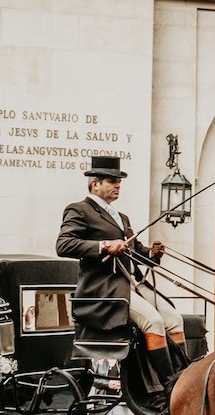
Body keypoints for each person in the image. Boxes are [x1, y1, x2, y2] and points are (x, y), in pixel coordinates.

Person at [56, 154, 188, 389]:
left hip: (132, 284)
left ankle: (185, 377)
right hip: (105, 289)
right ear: (95, 184)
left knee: (174, 319)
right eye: (111, 180)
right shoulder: (79, 210)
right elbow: (64, 245)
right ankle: (170, 386)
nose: (118, 185)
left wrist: (152, 254)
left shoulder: (121, 217)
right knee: (154, 322)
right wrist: (103, 246)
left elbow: (135, 251)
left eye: (119, 181)